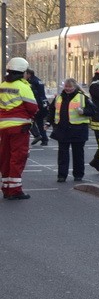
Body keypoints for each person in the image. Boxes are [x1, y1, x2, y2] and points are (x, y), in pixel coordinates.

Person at [0, 57, 38, 199]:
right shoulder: (23, 86)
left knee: (5, 157)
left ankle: (6, 188)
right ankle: (15, 190)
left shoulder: (2, 85)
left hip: (3, 127)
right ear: (23, 71)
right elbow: (33, 107)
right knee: (18, 157)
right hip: (19, 127)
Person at [48, 77, 93, 183]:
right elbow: (52, 110)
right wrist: (48, 122)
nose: (68, 89)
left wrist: (83, 111)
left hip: (78, 129)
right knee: (63, 155)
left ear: (75, 87)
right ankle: (62, 175)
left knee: (78, 154)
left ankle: (78, 175)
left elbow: (93, 110)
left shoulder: (82, 97)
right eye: (66, 87)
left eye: (70, 87)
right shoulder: (59, 97)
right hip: (63, 129)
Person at [24, 68, 49, 146]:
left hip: (38, 104)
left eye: (25, 74)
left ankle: (38, 136)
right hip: (43, 103)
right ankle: (44, 139)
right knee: (40, 122)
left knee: (29, 120)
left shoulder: (31, 82)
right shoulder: (38, 80)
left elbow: (34, 94)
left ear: (29, 74)